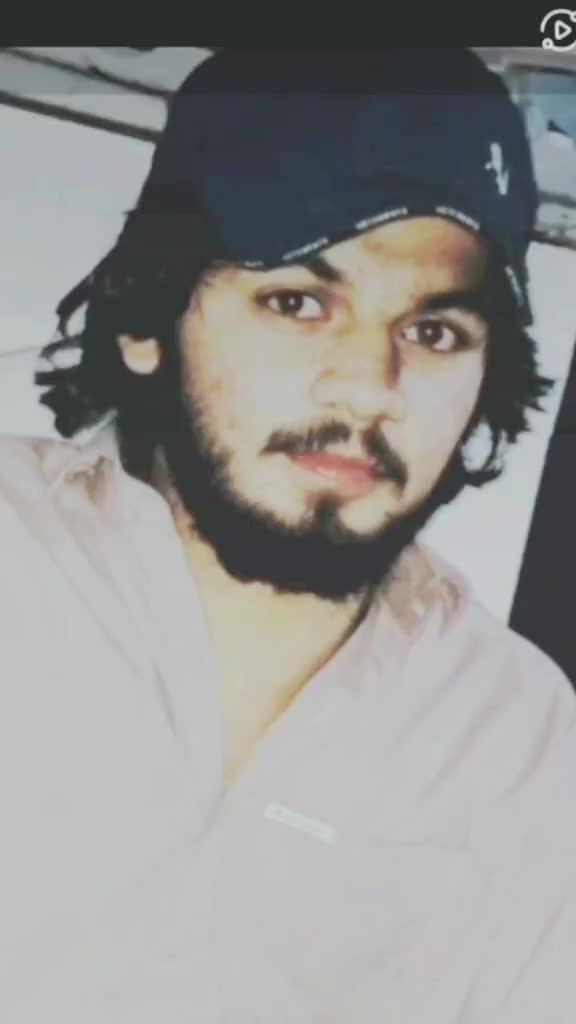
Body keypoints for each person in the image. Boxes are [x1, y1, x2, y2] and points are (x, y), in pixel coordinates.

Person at [2, 47, 576, 1023]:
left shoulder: (516, 738)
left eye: (434, 331)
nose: (368, 385)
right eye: (298, 302)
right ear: (147, 318)